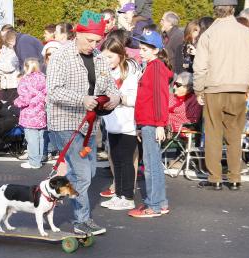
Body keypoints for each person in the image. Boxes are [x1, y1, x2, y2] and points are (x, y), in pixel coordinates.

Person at [47, 10, 121, 235]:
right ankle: (81, 220)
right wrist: (82, 99)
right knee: (81, 174)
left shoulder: (99, 57)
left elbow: (111, 87)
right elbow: (54, 90)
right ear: (77, 33)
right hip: (63, 121)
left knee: (87, 173)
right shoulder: (61, 56)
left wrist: (115, 99)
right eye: (90, 40)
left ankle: (49, 190)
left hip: (89, 124)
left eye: (97, 41)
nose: (93, 45)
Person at [193, 0, 249, 191]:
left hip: (214, 88)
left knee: (214, 134)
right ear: (234, 9)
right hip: (239, 88)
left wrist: (199, 89)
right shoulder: (247, 33)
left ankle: (214, 178)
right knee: (234, 134)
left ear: (216, 9)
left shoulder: (209, 34)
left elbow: (200, 67)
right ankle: (234, 177)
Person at [127, 31, 173, 218]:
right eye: (141, 49)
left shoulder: (155, 67)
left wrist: (160, 124)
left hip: (152, 122)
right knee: (153, 162)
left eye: (145, 49)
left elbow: (160, 98)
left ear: (156, 50)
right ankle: (160, 202)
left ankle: (153, 205)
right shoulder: (152, 66)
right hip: (149, 121)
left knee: (151, 163)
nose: (141, 52)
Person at [98, 37, 141, 211]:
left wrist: (120, 99)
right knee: (115, 159)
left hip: (127, 123)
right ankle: (119, 194)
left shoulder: (130, 72)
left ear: (120, 55)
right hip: (112, 122)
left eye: (110, 57)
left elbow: (135, 99)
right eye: (104, 57)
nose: (106, 61)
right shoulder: (107, 72)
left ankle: (128, 196)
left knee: (126, 160)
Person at [14, 58, 47, 169]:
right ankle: (40, 158)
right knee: (40, 138)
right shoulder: (43, 78)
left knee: (31, 140)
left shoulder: (25, 80)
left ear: (25, 67)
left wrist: (16, 102)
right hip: (41, 114)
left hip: (29, 115)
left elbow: (25, 99)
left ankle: (34, 162)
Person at [0, 30, 20, 108]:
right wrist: (0, 66)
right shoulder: (3, 49)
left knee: (13, 107)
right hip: (4, 84)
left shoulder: (15, 50)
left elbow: (10, 67)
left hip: (13, 84)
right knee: (6, 107)